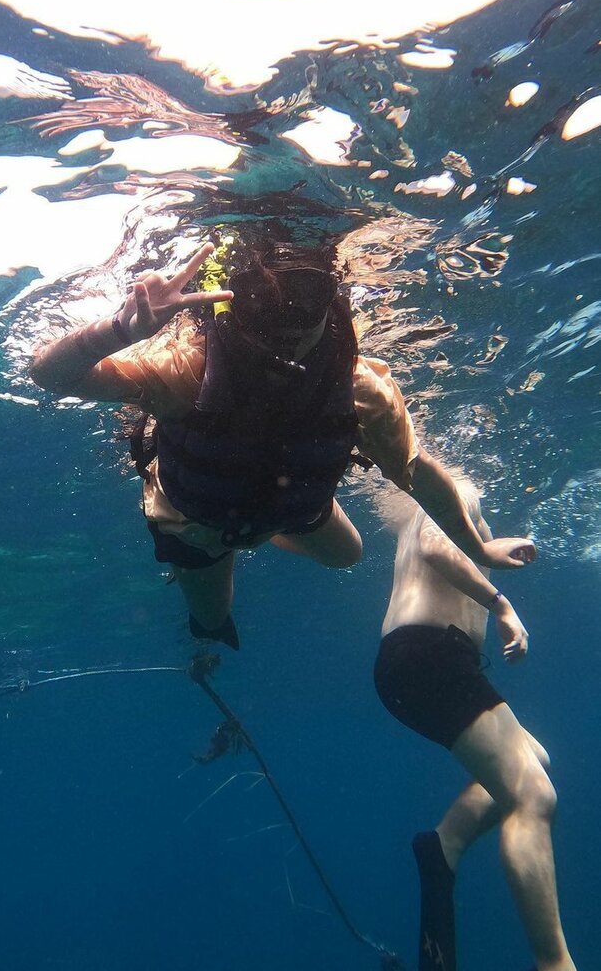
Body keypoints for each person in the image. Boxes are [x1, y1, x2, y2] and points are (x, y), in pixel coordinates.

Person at [30, 228, 535, 648]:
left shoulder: (361, 390)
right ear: (232, 305)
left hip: (287, 510)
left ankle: (260, 529)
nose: (285, 328)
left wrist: (478, 549)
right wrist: (119, 329)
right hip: (197, 524)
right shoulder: (185, 368)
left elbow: (418, 474)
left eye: (305, 303)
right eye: (264, 308)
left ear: (331, 303)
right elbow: (49, 375)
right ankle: (210, 627)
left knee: (348, 555)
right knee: (212, 620)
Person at [373, 480, 576, 971]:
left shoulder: (429, 502)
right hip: (430, 656)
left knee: (535, 760)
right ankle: (555, 962)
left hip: (418, 661)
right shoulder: (457, 486)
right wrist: (502, 605)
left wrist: (489, 545)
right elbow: (434, 545)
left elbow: (442, 543)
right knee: (533, 795)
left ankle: (444, 844)